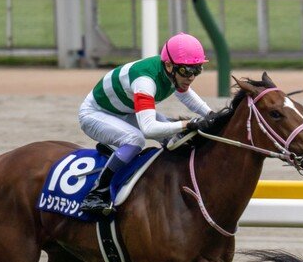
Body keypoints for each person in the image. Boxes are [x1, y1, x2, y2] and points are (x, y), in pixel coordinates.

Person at [76, 33, 214, 215]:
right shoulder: (145, 81)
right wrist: (186, 124)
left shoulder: (173, 72)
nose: (191, 77)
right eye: (187, 71)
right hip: (94, 114)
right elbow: (149, 129)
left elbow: (185, 94)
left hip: (123, 111)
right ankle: (96, 194)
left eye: (196, 70)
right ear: (169, 65)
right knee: (135, 139)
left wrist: (212, 114)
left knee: (175, 138)